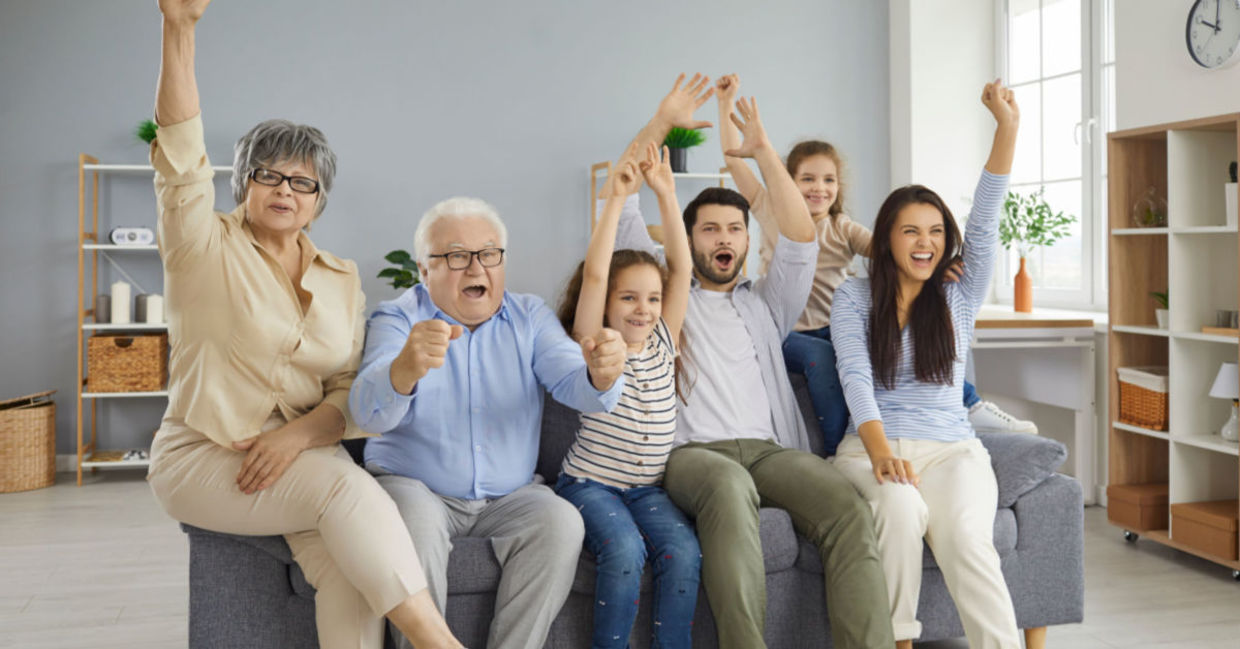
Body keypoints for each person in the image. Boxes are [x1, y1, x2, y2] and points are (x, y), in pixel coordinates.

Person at [143, 2, 462, 648]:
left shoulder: (342, 278)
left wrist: (293, 439)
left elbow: (347, 389)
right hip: (201, 455)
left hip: (293, 455)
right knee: (346, 490)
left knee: (349, 573)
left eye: (304, 181)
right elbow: (179, 156)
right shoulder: (202, 245)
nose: (286, 188)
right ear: (243, 183)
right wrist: (179, 29)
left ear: (319, 202)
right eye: (269, 174)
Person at [609, 74, 894, 649]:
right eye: (710, 228)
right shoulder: (660, 297)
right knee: (729, 487)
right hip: (694, 457)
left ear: (745, 241)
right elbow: (616, 203)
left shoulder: (767, 302)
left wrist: (765, 151)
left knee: (846, 507)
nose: (725, 237)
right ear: (686, 240)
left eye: (736, 229)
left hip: (768, 452)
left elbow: (800, 235)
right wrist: (661, 121)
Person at [348, 195, 629, 649]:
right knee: (411, 523)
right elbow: (364, 414)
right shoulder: (399, 318)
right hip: (416, 488)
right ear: (424, 269)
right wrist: (402, 371)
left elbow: (574, 383)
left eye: (489, 253)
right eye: (457, 255)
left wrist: (601, 374)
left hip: (510, 497)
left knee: (561, 520)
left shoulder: (530, 316)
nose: (476, 268)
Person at [713, 75, 1037, 457]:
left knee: (914, 336)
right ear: (787, 180)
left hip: (834, 326)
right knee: (822, 359)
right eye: (807, 179)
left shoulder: (843, 228)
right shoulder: (770, 209)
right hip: (789, 330)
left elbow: (895, 251)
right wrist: (725, 104)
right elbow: (735, 162)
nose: (819, 187)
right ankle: (836, 451)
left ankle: (972, 403)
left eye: (828, 179)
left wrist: (943, 262)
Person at [830, 80, 1023, 649]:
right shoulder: (853, 297)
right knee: (898, 505)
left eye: (936, 232)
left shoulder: (958, 296)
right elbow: (855, 378)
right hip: (871, 449)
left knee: (966, 535)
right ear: (886, 238)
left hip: (951, 451)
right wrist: (882, 453)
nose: (925, 242)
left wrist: (1005, 128)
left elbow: (984, 222)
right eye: (911, 230)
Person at [554, 141, 700, 649]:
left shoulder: (664, 341)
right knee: (623, 550)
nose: (643, 309)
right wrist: (615, 199)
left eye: (652, 299)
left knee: (682, 552)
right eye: (629, 298)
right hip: (589, 484)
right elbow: (595, 273)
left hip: (647, 488)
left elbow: (681, 269)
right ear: (608, 305)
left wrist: (666, 194)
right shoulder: (596, 342)